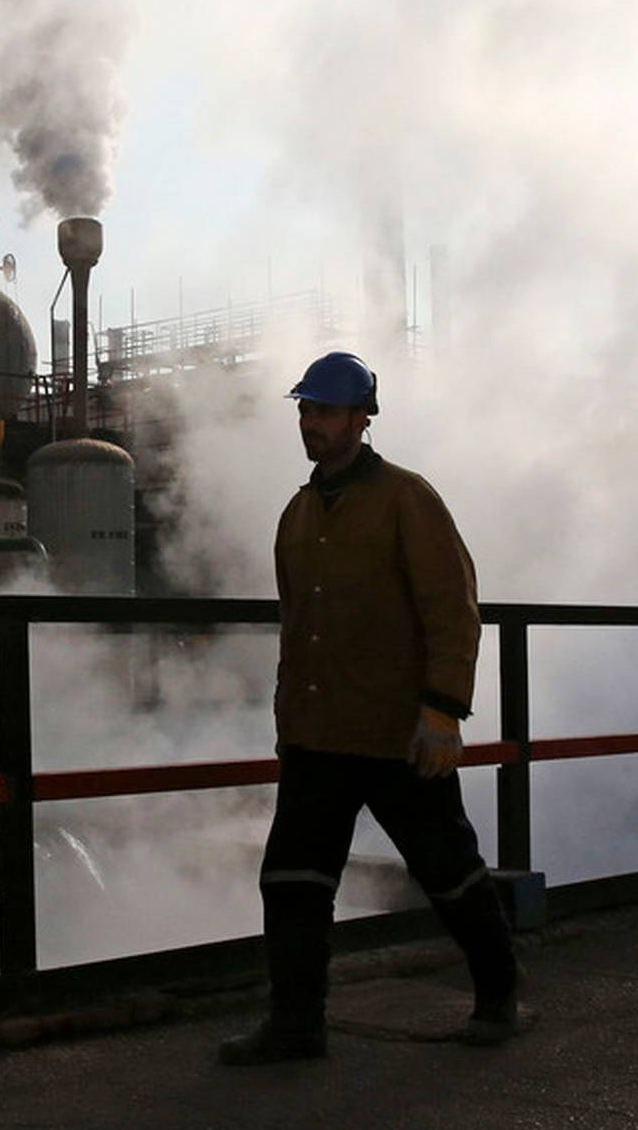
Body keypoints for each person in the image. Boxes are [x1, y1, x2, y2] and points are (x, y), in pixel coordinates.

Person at [219, 350, 530, 1066]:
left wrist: (444, 708)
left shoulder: (405, 498)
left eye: (324, 411)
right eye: (305, 409)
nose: (311, 422)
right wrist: (286, 724)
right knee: (292, 882)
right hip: (318, 734)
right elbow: (298, 629)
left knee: (448, 870)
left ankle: (499, 993)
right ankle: (296, 1025)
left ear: (362, 418)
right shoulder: (296, 515)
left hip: (397, 731)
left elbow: (452, 608)